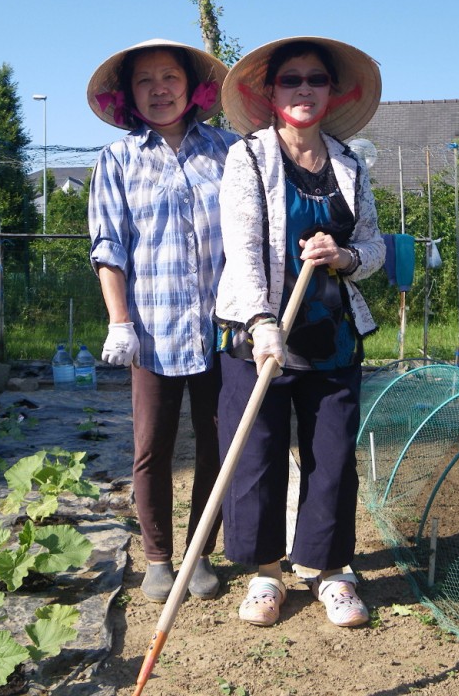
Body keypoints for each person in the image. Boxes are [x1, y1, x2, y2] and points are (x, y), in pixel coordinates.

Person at [214, 36, 385, 627]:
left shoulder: (348, 163)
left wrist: (344, 257)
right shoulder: (249, 158)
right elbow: (242, 250)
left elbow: (375, 247)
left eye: (316, 79)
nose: (304, 89)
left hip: (330, 334)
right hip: (256, 334)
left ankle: (331, 570)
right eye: (292, 80)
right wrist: (263, 323)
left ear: (332, 92)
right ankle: (266, 573)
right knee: (256, 455)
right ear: (271, 92)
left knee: (333, 454)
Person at [86, 39, 238, 603]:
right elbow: (109, 247)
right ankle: (157, 558)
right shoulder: (117, 160)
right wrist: (118, 321)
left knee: (216, 447)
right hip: (152, 334)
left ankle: (199, 552)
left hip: (222, 332)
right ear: (129, 94)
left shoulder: (228, 151)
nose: (158, 89)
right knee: (151, 447)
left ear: (191, 86)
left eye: (169, 77)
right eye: (145, 80)